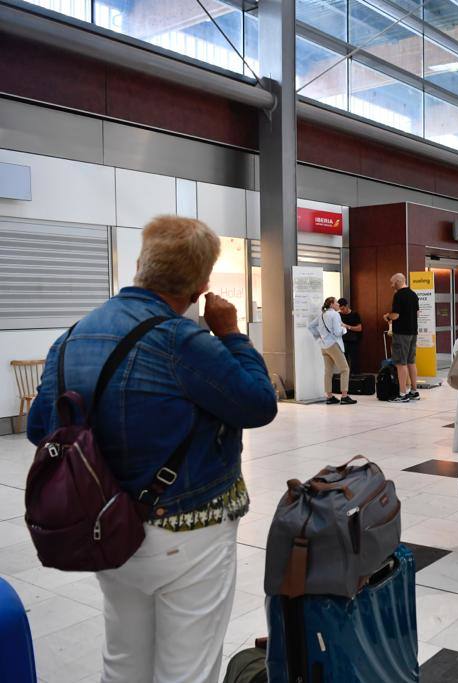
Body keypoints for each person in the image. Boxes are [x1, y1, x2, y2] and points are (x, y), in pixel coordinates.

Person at [27, 216, 278, 683]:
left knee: (124, 662)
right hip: (188, 528)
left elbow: (40, 428)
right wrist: (232, 334)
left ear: (142, 264)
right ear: (202, 283)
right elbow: (259, 404)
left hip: (109, 525)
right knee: (187, 669)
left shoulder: (72, 336)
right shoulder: (181, 340)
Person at [312, 297, 357, 405]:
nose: (338, 304)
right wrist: (344, 329)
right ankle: (344, 396)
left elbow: (311, 326)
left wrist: (319, 338)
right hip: (334, 345)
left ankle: (329, 396)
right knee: (345, 369)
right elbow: (337, 332)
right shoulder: (335, 314)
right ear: (331, 304)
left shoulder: (322, 314)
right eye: (336, 302)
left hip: (324, 346)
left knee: (328, 371)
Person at [384, 273, 420, 402]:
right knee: (411, 361)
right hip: (413, 332)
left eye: (392, 282)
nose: (391, 285)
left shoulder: (399, 295)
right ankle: (414, 391)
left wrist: (388, 317)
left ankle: (402, 394)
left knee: (400, 363)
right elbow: (417, 313)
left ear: (399, 281)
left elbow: (396, 315)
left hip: (401, 333)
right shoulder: (413, 294)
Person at [338, 298, 363, 371]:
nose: (342, 311)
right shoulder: (338, 315)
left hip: (353, 340)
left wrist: (348, 327)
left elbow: (359, 328)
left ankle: (355, 377)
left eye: (343, 309)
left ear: (347, 306)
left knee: (354, 360)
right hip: (342, 341)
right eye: (340, 309)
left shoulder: (354, 314)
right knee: (343, 361)